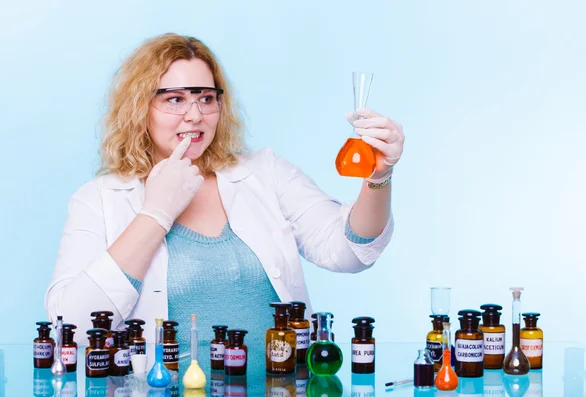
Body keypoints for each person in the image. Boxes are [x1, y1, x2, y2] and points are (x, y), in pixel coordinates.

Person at [45, 33, 404, 345]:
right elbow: (70, 328)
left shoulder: (265, 173)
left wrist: (379, 176)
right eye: (175, 99)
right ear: (140, 108)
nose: (195, 115)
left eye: (206, 97)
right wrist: (156, 214)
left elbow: (349, 251)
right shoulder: (99, 200)